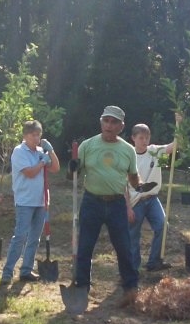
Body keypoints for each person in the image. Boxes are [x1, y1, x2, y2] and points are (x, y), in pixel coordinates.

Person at [71, 105, 142, 296]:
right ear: (101, 122)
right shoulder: (87, 146)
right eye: (106, 121)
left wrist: (139, 186)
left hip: (117, 204)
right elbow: (73, 176)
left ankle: (131, 287)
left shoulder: (128, 150)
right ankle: (82, 286)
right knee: (85, 246)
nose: (109, 125)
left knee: (124, 248)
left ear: (121, 126)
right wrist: (73, 167)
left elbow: (133, 176)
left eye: (114, 122)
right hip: (91, 202)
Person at [1, 120, 60, 284]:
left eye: (38, 134)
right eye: (33, 135)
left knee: (35, 238)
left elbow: (55, 168)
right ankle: (7, 272)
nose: (36, 138)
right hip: (25, 201)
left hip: (41, 201)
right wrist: (42, 161)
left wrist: (51, 151)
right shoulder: (19, 152)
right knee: (20, 236)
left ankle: (26, 270)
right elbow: (30, 173)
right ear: (25, 135)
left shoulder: (41, 151)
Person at [127, 118, 178, 272]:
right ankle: (132, 268)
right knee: (132, 235)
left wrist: (178, 125)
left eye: (147, 138)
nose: (144, 141)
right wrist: (127, 207)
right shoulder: (128, 156)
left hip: (152, 199)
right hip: (135, 201)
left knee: (163, 226)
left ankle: (154, 262)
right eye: (141, 138)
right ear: (133, 138)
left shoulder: (155, 151)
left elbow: (174, 147)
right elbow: (122, 185)